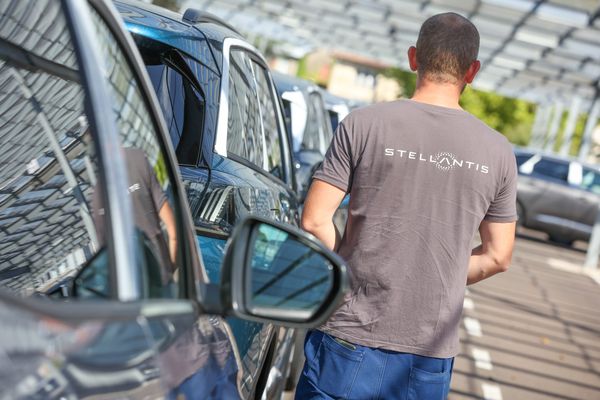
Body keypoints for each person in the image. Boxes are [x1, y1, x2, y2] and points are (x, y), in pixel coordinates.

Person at [295, 12, 517, 400]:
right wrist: (438, 275)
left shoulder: (363, 124)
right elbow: (498, 256)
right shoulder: (498, 152)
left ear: (414, 57)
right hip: (427, 354)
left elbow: (314, 221)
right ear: (473, 71)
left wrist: (347, 269)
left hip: (349, 335)